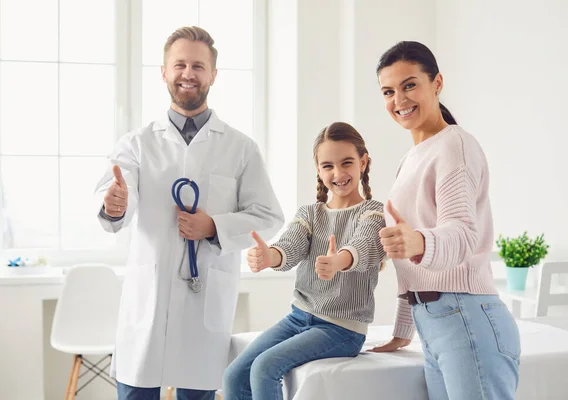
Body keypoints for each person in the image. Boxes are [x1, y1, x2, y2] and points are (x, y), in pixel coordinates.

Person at [94, 26, 284, 400]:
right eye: (179, 64)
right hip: (146, 303)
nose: (188, 73)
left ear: (213, 74)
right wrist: (114, 204)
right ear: (164, 72)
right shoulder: (137, 143)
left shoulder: (240, 148)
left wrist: (214, 226)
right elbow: (119, 194)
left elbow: (268, 216)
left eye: (198, 65)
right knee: (135, 391)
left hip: (204, 304)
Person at [371, 41, 520, 399]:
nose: (399, 100)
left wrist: (419, 242)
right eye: (388, 91)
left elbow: (463, 232)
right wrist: (404, 328)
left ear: (437, 83)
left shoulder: (455, 145)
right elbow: (414, 269)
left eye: (409, 85)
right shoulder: (413, 158)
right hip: (437, 323)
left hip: (465, 317)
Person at [222, 122, 387, 400]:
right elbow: (291, 245)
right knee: (234, 375)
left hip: (342, 328)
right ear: (318, 169)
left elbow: (365, 245)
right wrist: (269, 256)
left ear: (363, 161)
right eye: (328, 166)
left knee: (265, 368)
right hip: (298, 317)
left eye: (347, 163)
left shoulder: (374, 213)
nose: (338, 173)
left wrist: (340, 261)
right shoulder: (311, 213)